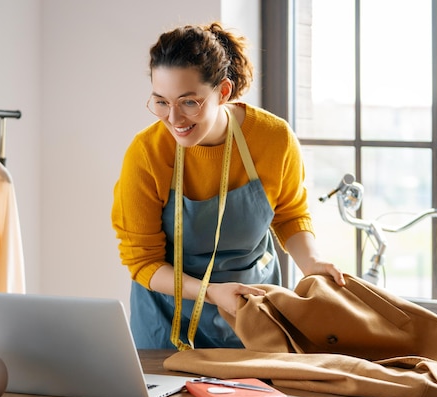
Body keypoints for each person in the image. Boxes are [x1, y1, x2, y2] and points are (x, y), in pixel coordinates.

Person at [111, 22, 345, 350]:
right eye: (161, 102)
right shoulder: (147, 153)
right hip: (166, 320)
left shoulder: (272, 138)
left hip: (252, 312)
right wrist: (210, 292)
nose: (174, 118)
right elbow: (142, 261)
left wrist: (312, 264)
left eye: (189, 102)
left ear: (223, 91)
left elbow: (290, 213)